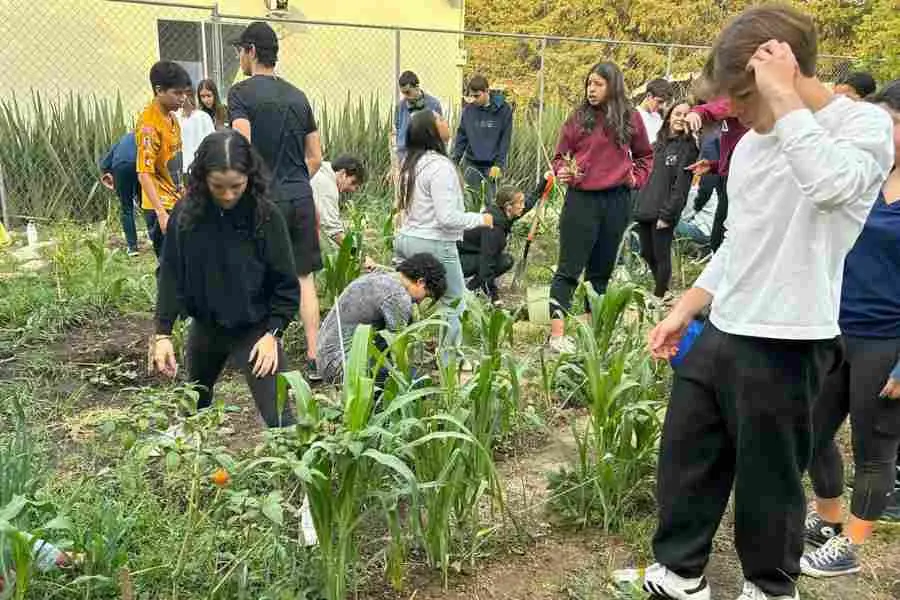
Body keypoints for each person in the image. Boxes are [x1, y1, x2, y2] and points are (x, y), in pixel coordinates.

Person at [637, 5, 894, 600]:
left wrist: (785, 102)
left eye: (741, 98)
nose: (734, 113)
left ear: (781, 72)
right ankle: (679, 576)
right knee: (687, 458)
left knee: (770, 479)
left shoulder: (862, 128)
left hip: (791, 335)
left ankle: (770, 586)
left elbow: (831, 188)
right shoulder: (753, 145)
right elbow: (739, 242)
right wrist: (689, 305)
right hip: (726, 325)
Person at [800, 80, 900, 578]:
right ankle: (827, 520)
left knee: (874, 447)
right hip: (834, 329)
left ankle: (851, 546)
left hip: (887, 340)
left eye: (891, 124)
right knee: (814, 432)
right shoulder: (864, 176)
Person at [153, 131, 299, 428]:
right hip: (206, 328)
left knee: (281, 421)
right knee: (193, 409)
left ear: (250, 177)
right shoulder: (186, 215)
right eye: (218, 186)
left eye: (237, 186)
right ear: (203, 178)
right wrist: (162, 333)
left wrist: (273, 334)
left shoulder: (266, 216)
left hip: (255, 331)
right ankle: (196, 472)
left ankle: (290, 472)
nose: (229, 194)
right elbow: (171, 273)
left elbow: (285, 283)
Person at [228, 21, 325, 381]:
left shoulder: (240, 93)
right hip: (299, 196)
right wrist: (294, 181)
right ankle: (315, 358)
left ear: (251, 51)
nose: (239, 56)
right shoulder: (298, 97)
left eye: (240, 50)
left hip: (263, 198)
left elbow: (242, 146)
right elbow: (315, 154)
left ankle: (260, 352)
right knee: (303, 278)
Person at [547, 61, 653, 354]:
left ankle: (590, 332)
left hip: (617, 201)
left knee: (601, 271)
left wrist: (636, 178)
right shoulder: (578, 118)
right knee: (569, 268)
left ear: (613, 86)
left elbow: (646, 155)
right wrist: (563, 171)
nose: (590, 90)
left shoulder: (630, 118)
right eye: (588, 84)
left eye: (597, 84)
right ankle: (557, 337)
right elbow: (559, 157)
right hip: (581, 201)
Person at [394, 109, 492, 356]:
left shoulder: (410, 164)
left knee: (408, 300)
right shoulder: (440, 166)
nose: (446, 122)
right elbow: (447, 219)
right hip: (434, 244)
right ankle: (449, 365)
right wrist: (481, 218)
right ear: (432, 130)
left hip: (407, 239)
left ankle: (406, 357)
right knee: (454, 302)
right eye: (440, 119)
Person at [316, 253, 447, 385]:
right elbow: (398, 349)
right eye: (426, 295)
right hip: (342, 366)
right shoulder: (398, 297)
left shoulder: (382, 277)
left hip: (325, 357)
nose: (419, 302)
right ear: (420, 282)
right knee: (418, 382)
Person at [634, 101, 699, 299]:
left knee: (661, 255)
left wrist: (668, 214)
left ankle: (660, 295)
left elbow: (681, 186)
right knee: (646, 253)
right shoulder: (656, 145)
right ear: (669, 116)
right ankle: (665, 292)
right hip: (645, 207)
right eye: (677, 113)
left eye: (685, 115)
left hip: (664, 211)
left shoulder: (689, 149)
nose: (680, 118)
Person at [458, 174, 550, 303]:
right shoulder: (494, 228)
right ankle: (469, 291)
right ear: (508, 207)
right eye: (520, 203)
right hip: (458, 261)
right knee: (497, 262)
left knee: (505, 260)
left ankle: (471, 289)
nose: (523, 206)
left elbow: (528, 203)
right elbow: (487, 263)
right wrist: (495, 297)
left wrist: (544, 181)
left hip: (472, 254)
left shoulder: (504, 214)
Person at [683, 86, 750, 252]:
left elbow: (718, 107)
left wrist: (697, 112)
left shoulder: (739, 100)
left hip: (741, 180)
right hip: (727, 177)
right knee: (719, 238)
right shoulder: (725, 122)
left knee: (724, 239)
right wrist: (714, 166)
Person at [136, 61, 191, 258]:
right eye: (177, 93)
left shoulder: (172, 118)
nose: (183, 98)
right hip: (161, 206)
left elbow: (173, 160)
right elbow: (144, 173)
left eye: (185, 93)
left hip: (175, 199)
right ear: (159, 90)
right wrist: (161, 214)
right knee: (169, 266)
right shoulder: (149, 126)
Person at [450, 74, 513, 206]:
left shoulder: (504, 110)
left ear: (487, 91)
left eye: (477, 95)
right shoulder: (469, 111)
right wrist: (454, 161)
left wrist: (499, 164)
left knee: (492, 203)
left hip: (492, 165)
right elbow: (462, 137)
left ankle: (492, 227)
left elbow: (505, 140)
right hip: (472, 163)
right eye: (471, 96)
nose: (474, 99)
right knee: (471, 202)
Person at [99, 131, 140, 256]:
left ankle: (132, 247)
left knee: (126, 208)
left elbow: (104, 164)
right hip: (141, 166)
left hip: (120, 166)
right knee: (148, 205)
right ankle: (155, 238)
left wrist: (111, 179)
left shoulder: (123, 139)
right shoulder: (148, 135)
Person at [311, 154, 366, 247]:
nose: (352, 189)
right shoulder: (327, 186)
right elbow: (334, 232)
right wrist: (358, 255)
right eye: (352, 183)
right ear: (343, 173)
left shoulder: (320, 170)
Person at [393, 70, 443, 165]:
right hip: (404, 157)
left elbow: (439, 134)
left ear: (417, 87)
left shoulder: (433, 105)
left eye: (408, 92)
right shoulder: (400, 107)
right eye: (403, 93)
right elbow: (397, 132)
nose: (405, 96)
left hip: (426, 158)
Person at [177, 89, 215, 180]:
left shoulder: (203, 117)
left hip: (198, 168)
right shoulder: (176, 116)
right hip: (183, 168)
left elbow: (212, 143)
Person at [675, 185, 718, 249]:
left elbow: (685, 216)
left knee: (667, 220)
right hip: (712, 234)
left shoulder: (698, 190)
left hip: (702, 232)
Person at [637, 77, 675, 143]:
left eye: (664, 103)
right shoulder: (634, 116)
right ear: (649, 96)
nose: (661, 106)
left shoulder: (659, 118)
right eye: (659, 101)